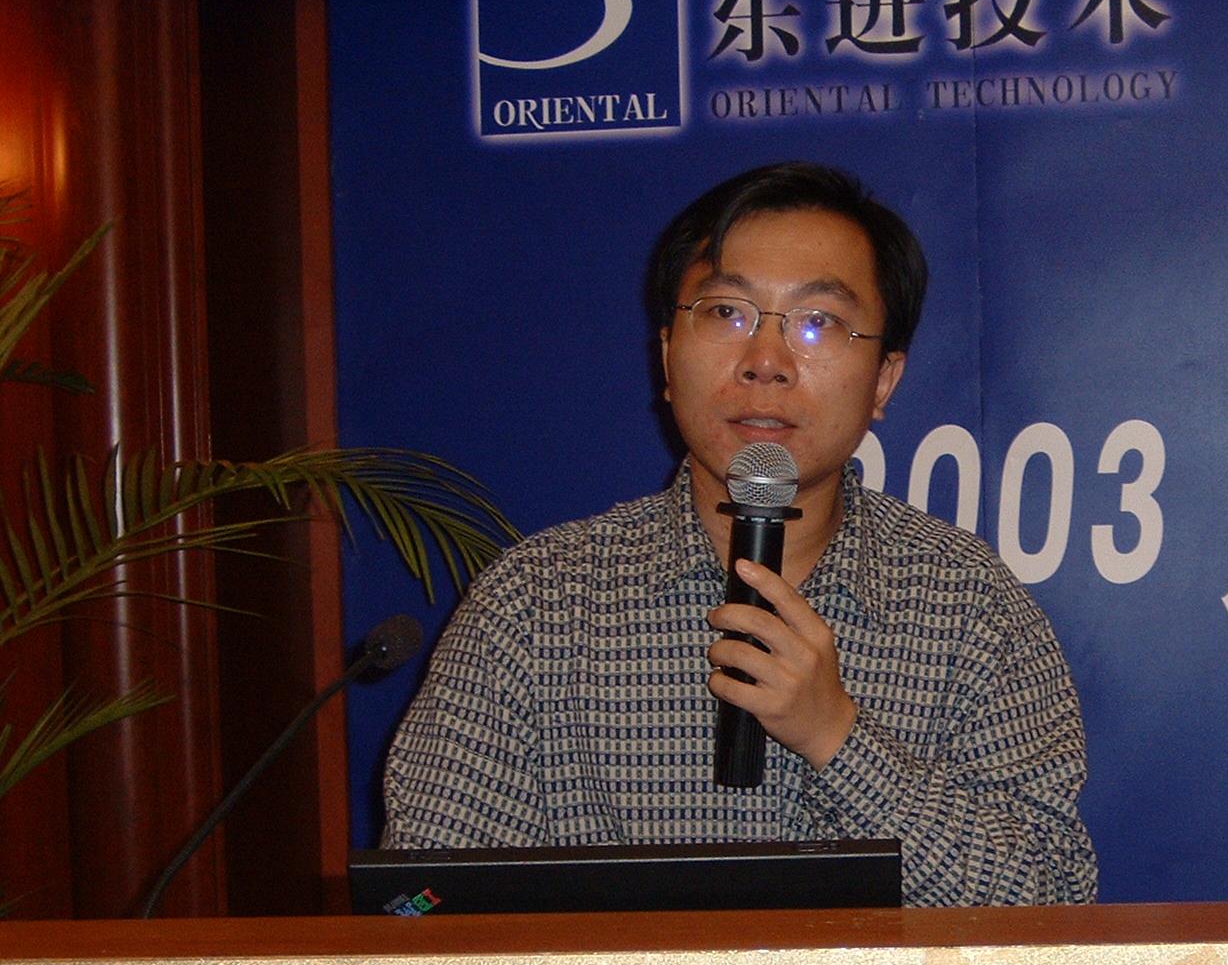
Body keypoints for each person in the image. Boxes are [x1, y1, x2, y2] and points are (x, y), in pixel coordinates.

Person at [381, 161, 1096, 906]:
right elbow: (420, 904)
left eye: (818, 322)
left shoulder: (969, 606)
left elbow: (1052, 898)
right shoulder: (538, 604)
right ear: (667, 356)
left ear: (883, 380)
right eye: (727, 313)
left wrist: (838, 738)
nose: (765, 363)